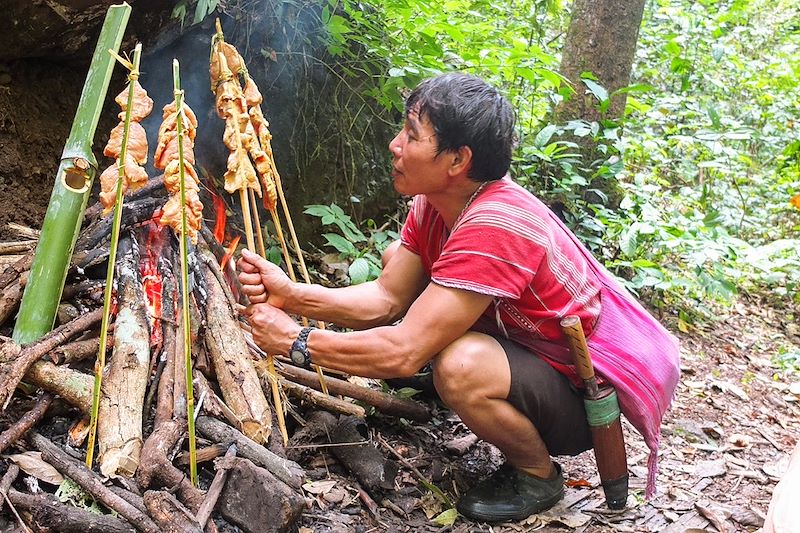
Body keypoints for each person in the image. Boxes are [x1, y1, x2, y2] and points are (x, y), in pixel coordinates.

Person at [238, 73, 680, 523]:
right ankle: (464, 386)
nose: (395, 145)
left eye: (411, 135)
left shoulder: (495, 227)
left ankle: (537, 473)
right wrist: (292, 294)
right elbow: (386, 298)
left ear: (456, 160)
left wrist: (297, 341)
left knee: (460, 366)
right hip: (521, 351)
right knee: (399, 259)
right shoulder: (436, 202)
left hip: (571, 396)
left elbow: (402, 351)